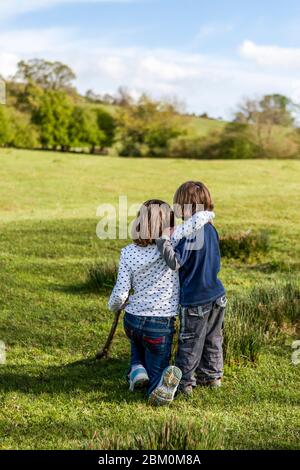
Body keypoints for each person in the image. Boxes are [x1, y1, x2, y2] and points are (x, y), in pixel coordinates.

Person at [108, 198, 214, 405]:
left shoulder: (127, 253)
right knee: (157, 365)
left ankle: (137, 369)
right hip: (160, 324)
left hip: (132, 320)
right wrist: (207, 214)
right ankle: (156, 391)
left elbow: (120, 293)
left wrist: (114, 306)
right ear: (169, 226)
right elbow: (192, 224)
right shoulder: (170, 244)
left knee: (137, 342)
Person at [156, 182, 226, 396]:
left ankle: (184, 383)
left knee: (190, 342)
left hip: (196, 298)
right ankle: (212, 377)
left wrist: (164, 240)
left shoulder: (190, 234)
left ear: (186, 207)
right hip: (217, 294)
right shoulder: (210, 227)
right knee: (213, 338)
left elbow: (175, 262)